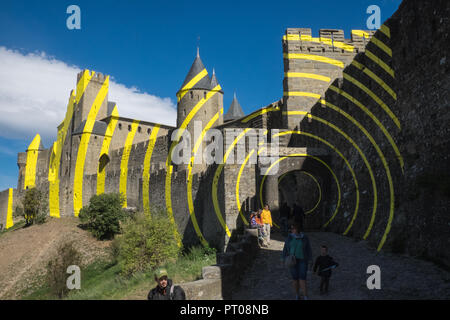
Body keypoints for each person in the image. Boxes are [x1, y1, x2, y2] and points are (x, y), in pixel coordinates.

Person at [282, 223, 312, 300]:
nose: (291, 230)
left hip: (302, 260)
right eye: (291, 229)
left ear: (298, 229)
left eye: (293, 228)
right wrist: (283, 258)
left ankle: (305, 296)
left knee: (302, 278)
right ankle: (297, 295)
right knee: (295, 278)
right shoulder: (289, 237)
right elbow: (285, 248)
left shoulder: (305, 237)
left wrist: (310, 259)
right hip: (292, 260)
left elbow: (308, 249)